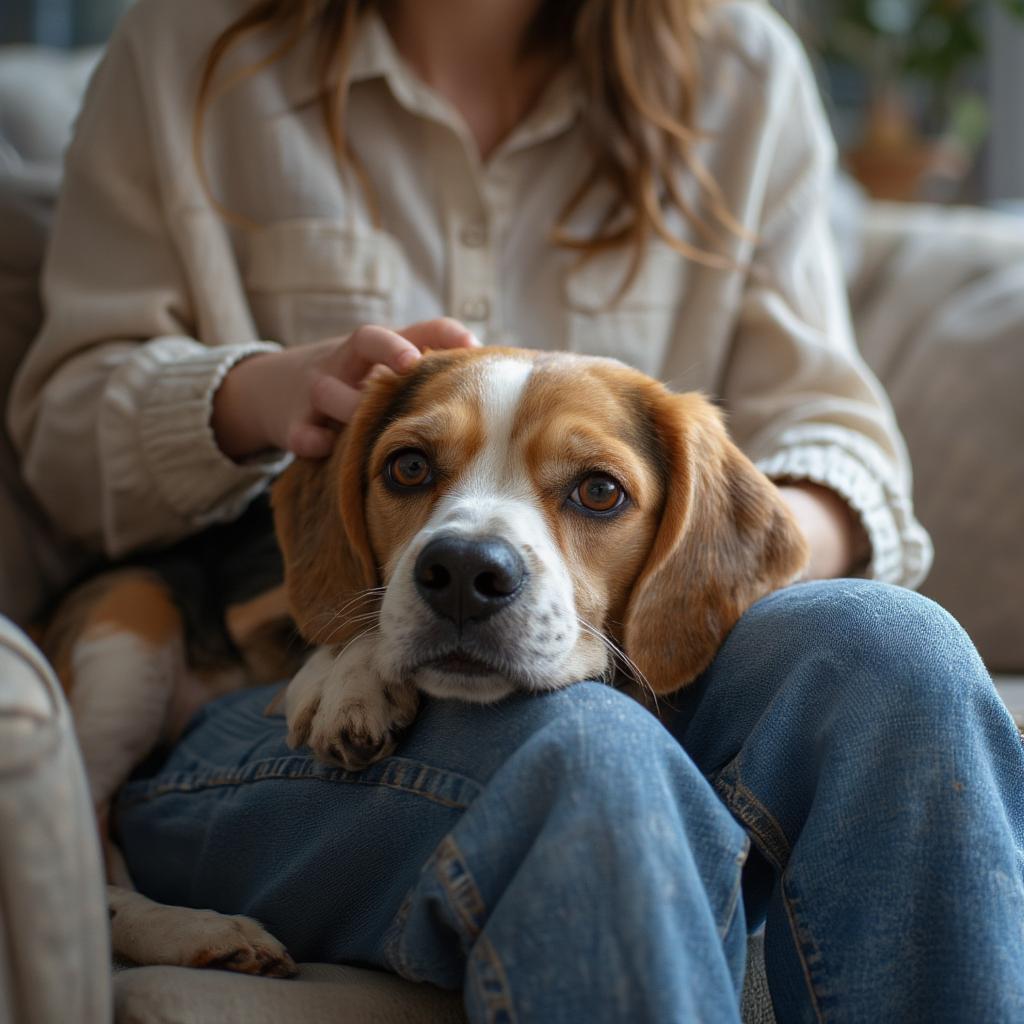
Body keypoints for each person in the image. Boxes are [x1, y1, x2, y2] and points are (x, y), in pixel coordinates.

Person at [8, 0, 1024, 1020]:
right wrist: (256, 393)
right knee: (592, 745)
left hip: (640, 649)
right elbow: (56, 434)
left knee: (902, 653)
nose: (475, 551)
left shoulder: (739, 65)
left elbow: (832, 432)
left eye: (594, 490)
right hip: (276, 691)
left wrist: (685, 589)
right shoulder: (191, 41)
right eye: (413, 471)